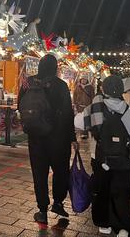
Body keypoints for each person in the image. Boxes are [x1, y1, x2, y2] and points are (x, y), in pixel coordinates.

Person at [74, 76, 130, 237]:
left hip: (100, 158)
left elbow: (77, 122)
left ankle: (103, 223)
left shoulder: (95, 108)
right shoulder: (128, 110)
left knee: (101, 190)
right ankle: (123, 227)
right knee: (120, 194)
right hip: (122, 161)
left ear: (103, 89)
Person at [17, 54, 77, 224]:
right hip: (59, 138)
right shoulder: (61, 85)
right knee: (61, 172)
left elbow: (19, 105)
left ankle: (42, 210)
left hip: (36, 138)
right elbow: (68, 114)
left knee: (39, 174)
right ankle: (58, 203)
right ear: (55, 67)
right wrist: (72, 137)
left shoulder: (28, 82)